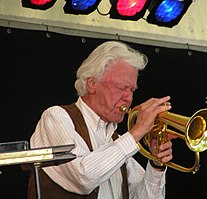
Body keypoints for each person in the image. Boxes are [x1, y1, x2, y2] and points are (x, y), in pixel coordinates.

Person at [29, 41, 174, 199]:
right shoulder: (56, 117)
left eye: (132, 90)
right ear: (92, 84)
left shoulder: (116, 139)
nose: (129, 98)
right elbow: (82, 179)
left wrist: (156, 164)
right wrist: (136, 133)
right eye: (121, 88)